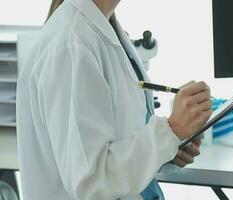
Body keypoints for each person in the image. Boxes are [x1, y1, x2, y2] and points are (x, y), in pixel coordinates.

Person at [16, 0, 212, 199]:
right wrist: (171, 130)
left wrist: (168, 147)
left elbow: (120, 135)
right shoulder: (71, 46)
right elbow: (91, 182)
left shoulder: (103, 27)